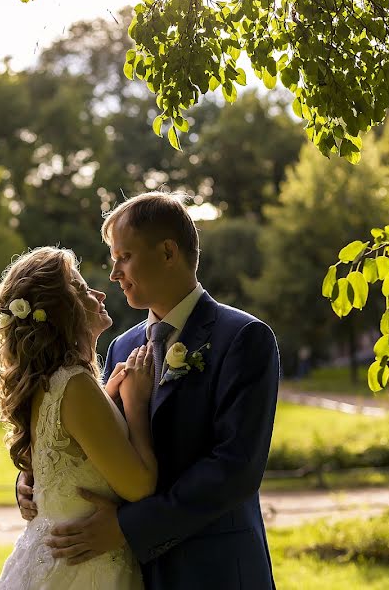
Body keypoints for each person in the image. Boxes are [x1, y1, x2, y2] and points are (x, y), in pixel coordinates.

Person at [19, 191, 280, 589]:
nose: (114, 274)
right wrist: (35, 480)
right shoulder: (122, 347)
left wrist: (128, 527)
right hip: (135, 574)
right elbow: (99, 442)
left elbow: (235, 468)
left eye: (123, 257)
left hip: (215, 569)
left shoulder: (243, 338)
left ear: (168, 252)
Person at [0, 246, 154, 589]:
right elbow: (139, 487)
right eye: (80, 290)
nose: (98, 292)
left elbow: (74, 448)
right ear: (60, 313)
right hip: (84, 568)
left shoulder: (49, 382)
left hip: (53, 559)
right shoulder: (74, 384)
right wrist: (136, 406)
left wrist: (108, 399)